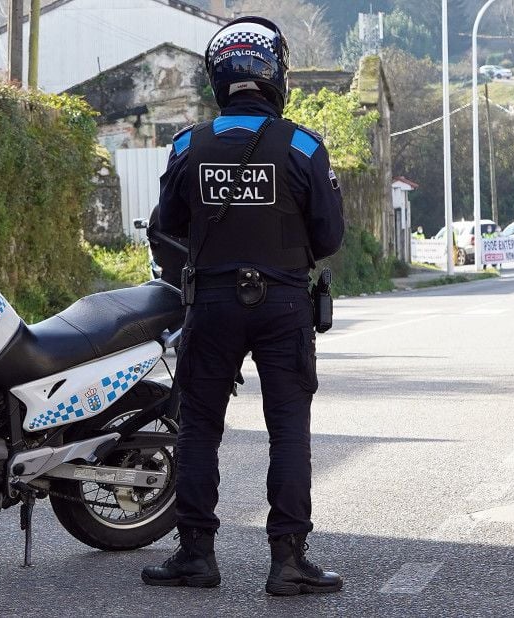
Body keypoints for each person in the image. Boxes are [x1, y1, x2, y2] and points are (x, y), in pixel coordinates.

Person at [141, 16, 345, 596]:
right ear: (275, 74)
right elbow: (328, 237)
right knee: (288, 430)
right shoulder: (303, 146)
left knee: (200, 429)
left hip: (211, 302)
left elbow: (170, 224)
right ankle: (288, 561)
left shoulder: (189, 144)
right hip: (282, 303)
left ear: (219, 78)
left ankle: (196, 555)